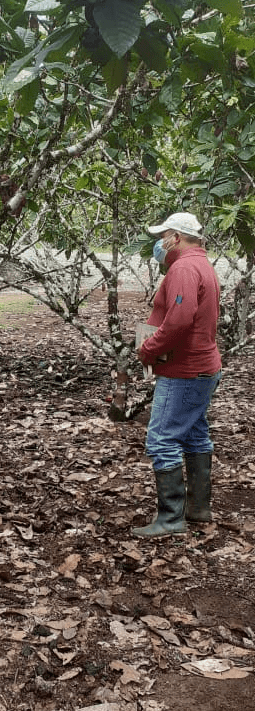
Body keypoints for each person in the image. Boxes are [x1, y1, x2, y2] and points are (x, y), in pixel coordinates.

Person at [134, 212, 222, 538]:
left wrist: (149, 349)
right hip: (203, 367)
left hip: (184, 370)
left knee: (161, 439)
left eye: (163, 236)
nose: (161, 243)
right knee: (195, 435)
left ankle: (171, 518)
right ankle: (198, 507)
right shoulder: (202, 265)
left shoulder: (184, 267)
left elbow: (180, 321)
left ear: (176, 236)